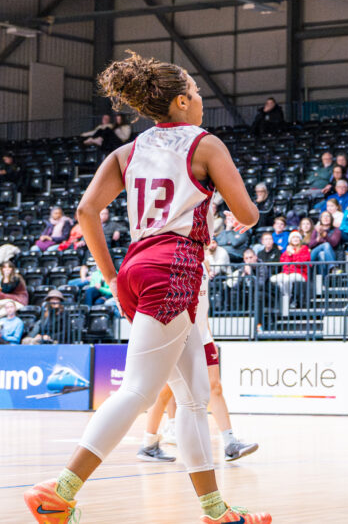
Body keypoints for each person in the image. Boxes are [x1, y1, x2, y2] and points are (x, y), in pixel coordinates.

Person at [25, 52, 268, 523]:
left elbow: (85, 212)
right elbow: (249, 214)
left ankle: (215, 511)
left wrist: (112, 275)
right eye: (196, 92)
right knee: (137, 390)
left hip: (137, 268)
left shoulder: (127, 151)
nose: (200, 100)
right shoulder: (205, 144)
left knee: (195, 395)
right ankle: (59, 490)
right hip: (173, 268)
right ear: (181, 101)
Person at [137, 256, 258, 464]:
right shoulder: (175, 259)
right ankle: (148, 444)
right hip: (179, 335)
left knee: (215, 387)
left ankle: (230, 443)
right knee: (165, 391)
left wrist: (208, 335)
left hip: (202, 335)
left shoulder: (203, 261)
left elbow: (204, 306)